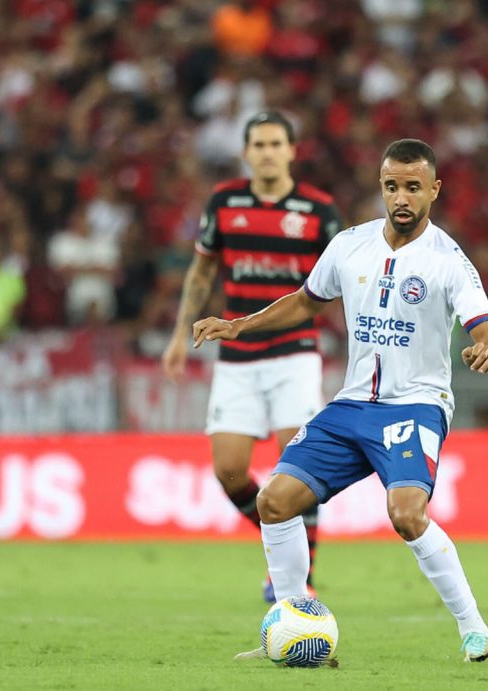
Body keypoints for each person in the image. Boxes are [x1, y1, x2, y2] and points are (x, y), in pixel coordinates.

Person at [194, 139, 488, 662]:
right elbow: (304, 302)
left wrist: (487, 344)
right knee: (274, 501)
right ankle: (292, 622)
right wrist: (238, 325)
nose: (401, 197)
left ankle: (475, 632)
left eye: (412, 187)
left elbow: (483, 324)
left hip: (414, 406)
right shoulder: (349, 245)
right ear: (381, 186)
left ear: (434, 189)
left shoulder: (449, 259)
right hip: (352, 406)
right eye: (391, 186)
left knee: (406, 514)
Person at [162, 111, 342, 601]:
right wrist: (180, 335)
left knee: (296, 464)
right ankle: (280, 542)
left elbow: (343, 281)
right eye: (258, 144)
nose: (266, 151)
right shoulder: (224, 202)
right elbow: (201, 275)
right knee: (229, 470)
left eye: (275, 143)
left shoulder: (318, 210)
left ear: (291, 150)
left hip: (295, 350)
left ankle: (297, 576)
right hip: (237, 354)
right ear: (246, 152)